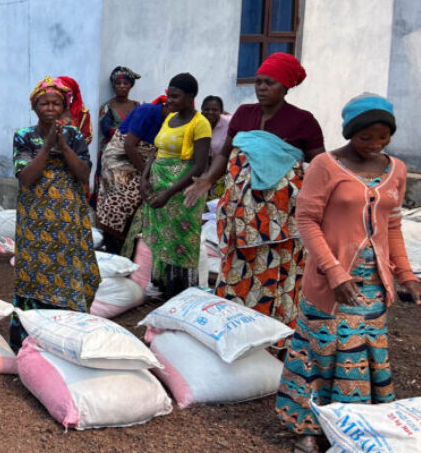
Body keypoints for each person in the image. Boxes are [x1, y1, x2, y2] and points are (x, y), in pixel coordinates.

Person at [276, 94, 421, 453]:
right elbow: (306, 220)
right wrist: (334, 272)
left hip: (372, 285)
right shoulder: (325, 165)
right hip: (329, 282)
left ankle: (352, 429)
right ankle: (308, 430)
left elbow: (392, 225)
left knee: (360, 357)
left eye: (383, 137)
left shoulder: (396, 169)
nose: (375, 145)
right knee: (320, 353)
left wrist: (408, 277)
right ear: (350, 134)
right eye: (366, 137)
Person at [184, 53, 324, 329]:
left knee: (275, 270)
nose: (261, 88)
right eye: (258, 82)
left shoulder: (302, 121)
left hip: (280, 219)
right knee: (238, 267)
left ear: (284, 87)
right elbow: (225, 153)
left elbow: (320, 163)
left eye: (269, 83)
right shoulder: (244, 114)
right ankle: (236, 325)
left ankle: (275, 330)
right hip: (241, 214)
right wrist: (208, 179)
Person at [8, 77, 102, 352]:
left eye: (56, 103)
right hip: (35, 220)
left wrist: (63, 146)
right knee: (34, 273)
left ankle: (67, 338)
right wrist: (47, 146)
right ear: (34, 107)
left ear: (64, 107)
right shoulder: (24, 136)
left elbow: (84, 175)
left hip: (69, 219)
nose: (50, 108)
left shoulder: (74, 136)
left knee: (69, 271)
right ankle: (29, 339)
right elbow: (25, 178)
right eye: (44, 103)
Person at [121, 74, 211, 298]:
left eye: (175, 96)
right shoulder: (170, 118)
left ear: (190, 97)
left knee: (180, 241)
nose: (169, 100)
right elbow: (156, 150)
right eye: (168, 95)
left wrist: (170, 193)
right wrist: (144, 178)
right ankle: (162, 288)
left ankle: (179, 293)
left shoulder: (200, 123)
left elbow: (200, 165)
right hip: (159, 184)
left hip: (181, 191)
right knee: (162, 238)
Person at [94, 95, 169, 254]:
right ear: (167, 105)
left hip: (143, 162)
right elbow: (128, 145)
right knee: (123, 197)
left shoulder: (175, 122)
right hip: (120, 158)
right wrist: (145, 175)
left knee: (147, 197)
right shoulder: (147, 111)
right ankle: (115, 244)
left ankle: (128, 247)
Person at [93, 67, 140, 205]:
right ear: (113, 85)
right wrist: (132, 135)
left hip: (132, 155)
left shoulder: (137, 106)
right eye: (118, 83)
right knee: (110, 189)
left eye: (125, 83)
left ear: (131, 85)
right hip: (111, 154)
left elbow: (143, 126)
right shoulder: (107, 107)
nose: (121, 86)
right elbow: (106, 129)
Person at [55, 76, 93, 145]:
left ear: (71, 95)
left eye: (65, 93)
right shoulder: (51, 109)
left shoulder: (82, 113)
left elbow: (87, 137)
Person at [200, 96, 231, 163]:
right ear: (202, 110)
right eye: (207, 109)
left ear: (221, 111)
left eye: (215, 110)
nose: (210, 112)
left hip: (227, 166)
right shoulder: (196, 124)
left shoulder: (229, 121)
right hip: (203, 166)